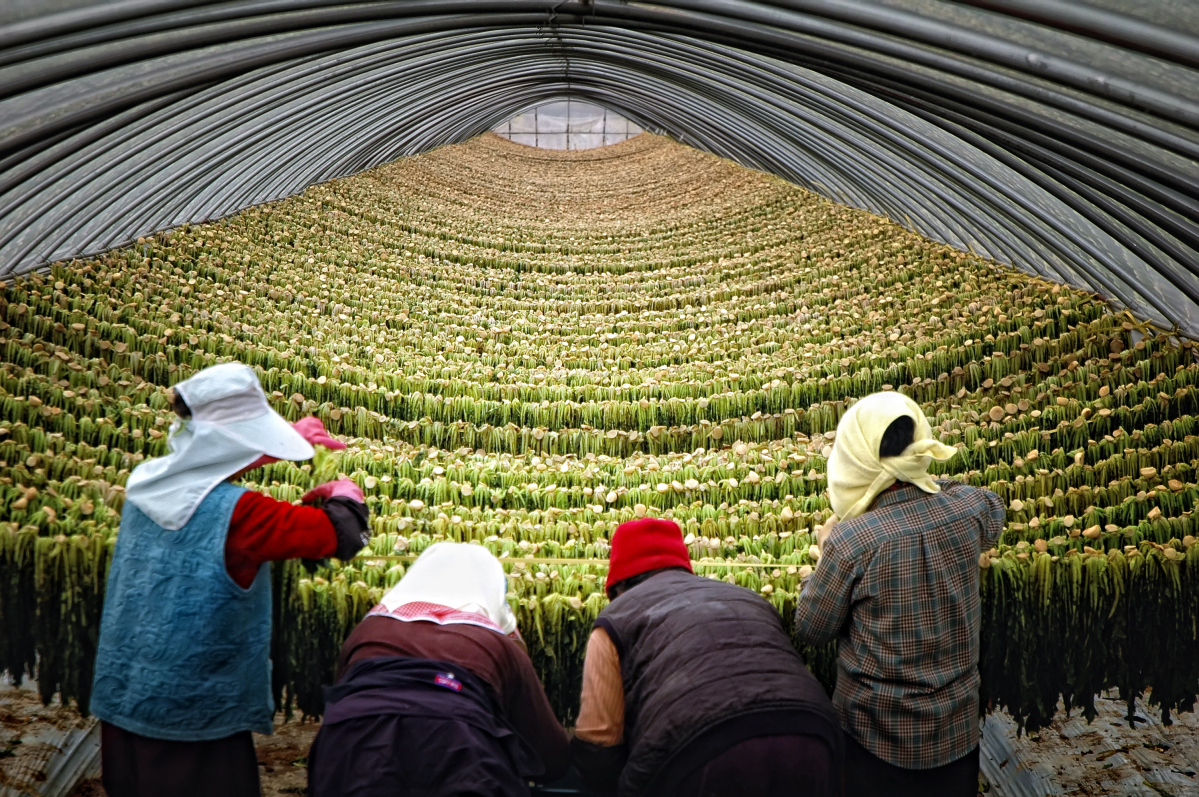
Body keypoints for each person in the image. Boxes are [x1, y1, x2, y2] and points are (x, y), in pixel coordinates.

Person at [90, 361, 372, 797]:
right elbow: (341, 534)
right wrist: (344, 493)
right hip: (192, 714)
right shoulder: (243, 515)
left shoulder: (145, 482)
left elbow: (213, 469)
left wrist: (281, 445)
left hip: (124, 690)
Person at [793, 391, 1005, 797]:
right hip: (957, 732)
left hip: (876, 738)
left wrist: (825, 553)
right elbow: (994, 511)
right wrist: (928, 482)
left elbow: (811, 627)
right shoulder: (968, 508)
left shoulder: (853, 541)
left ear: (856, 457)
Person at [572, 516, 842, 797]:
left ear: (615, 587)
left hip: (698, 754)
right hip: (813, 733)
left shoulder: (615, 618)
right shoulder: (748, 598)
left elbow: (598, 741)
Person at [307, 542, 571, 797]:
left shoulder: (366, 632)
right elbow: (550, 755)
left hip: (349, 752)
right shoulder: (497, 646)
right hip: (460, 761)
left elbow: (340, 698)